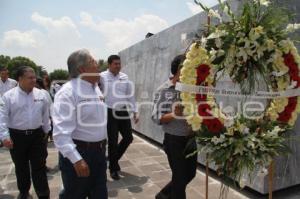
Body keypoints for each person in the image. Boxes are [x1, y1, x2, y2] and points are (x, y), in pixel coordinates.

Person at [53, 49, 108, 199]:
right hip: (80, 154)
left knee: (100, 194)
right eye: (93, 62)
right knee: (75, 194)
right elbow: (60, 133)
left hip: (99, 153)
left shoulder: (95, 89)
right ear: (82, 69)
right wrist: (77, 159)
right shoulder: (68, 93)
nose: (98, 65)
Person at [0, 66, 51, 199]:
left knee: (39, 166)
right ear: (20, 79)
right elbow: (2, 118)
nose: (33, 80)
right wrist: (5, 136)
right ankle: (24, 192)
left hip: (37, 136)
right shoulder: (8, 96)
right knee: (21, 167)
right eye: (30, 77)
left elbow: (46, 114)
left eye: (34, 77)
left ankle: (43, 193)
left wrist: (47, 130)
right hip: (17, 137)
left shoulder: (41, 94)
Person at [152, 55, 198, 199]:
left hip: (190, 139)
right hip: (174, 140)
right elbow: (156, 117)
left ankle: (163, 195)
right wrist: (173, 114)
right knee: (179, 178)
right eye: (185, 67)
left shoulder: (193, 88)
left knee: (190, 174)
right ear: (177, 70)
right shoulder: (164, 90)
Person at [100, 55, 139, 180]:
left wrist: (135, 111)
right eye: (115, 64)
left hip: (123, 111)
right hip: (109, 111)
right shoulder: (102, 77)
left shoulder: (124, 77)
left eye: (119, 63)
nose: (118, 66)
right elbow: (96, 90)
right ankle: (114, 169)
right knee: (112, 141)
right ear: (109, 65)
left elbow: (130, 95)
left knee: (128, 138)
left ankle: (113, 159)